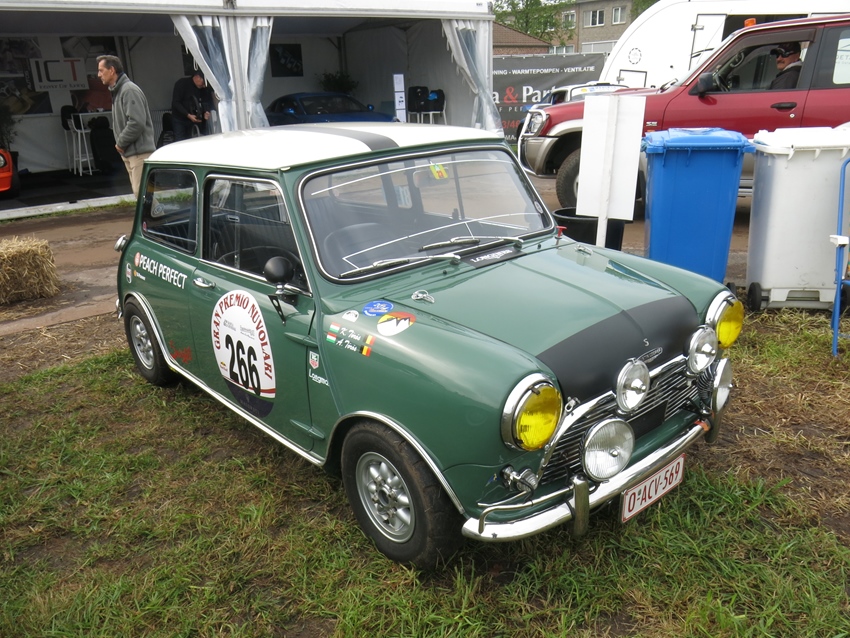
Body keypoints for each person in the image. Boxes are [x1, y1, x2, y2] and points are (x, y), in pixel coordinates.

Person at [96, 54, 155, 199]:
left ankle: (158, 213)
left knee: (141, 193)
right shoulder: (119, 91)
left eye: (101, 70)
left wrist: (120, 143)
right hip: (131, 152)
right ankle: (155, 213)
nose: (98, 75)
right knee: (140, 193)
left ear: (111, 70)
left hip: (139, 152)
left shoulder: (128, 90)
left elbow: (136, 122)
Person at [171, 69, 215, 141]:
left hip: (195, 119)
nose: (204, 86)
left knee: (195, 139)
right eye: (203, 82)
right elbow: (176, 102)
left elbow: (207, 101)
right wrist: (188, 115)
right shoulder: (182, 84)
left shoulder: (204, 89)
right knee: (180, 140)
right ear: (197, 77)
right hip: (180, 119)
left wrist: (206, 111)